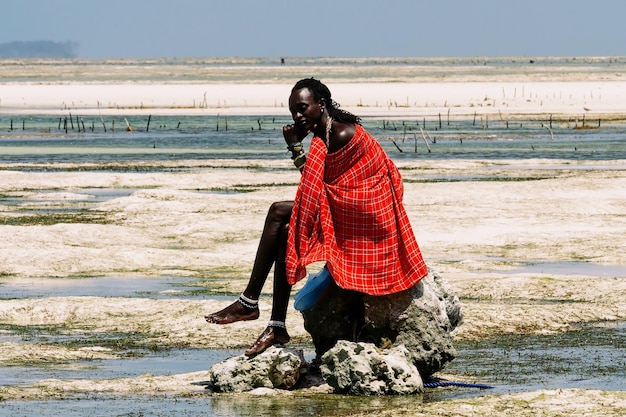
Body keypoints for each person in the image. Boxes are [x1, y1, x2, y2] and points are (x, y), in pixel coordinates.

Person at [205, 78, 428, 356]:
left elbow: (317, 189)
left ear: (321, 105)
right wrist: (299, 148)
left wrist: (295, 148)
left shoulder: (340, 135)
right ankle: (276, 325)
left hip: (369, 216)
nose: (297, 117)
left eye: (302, 108)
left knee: (278, 212)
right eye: (293, 112)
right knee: (287, 228)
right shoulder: (325, 134)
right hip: (347, 207)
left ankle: (249, 302)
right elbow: (317, 187)